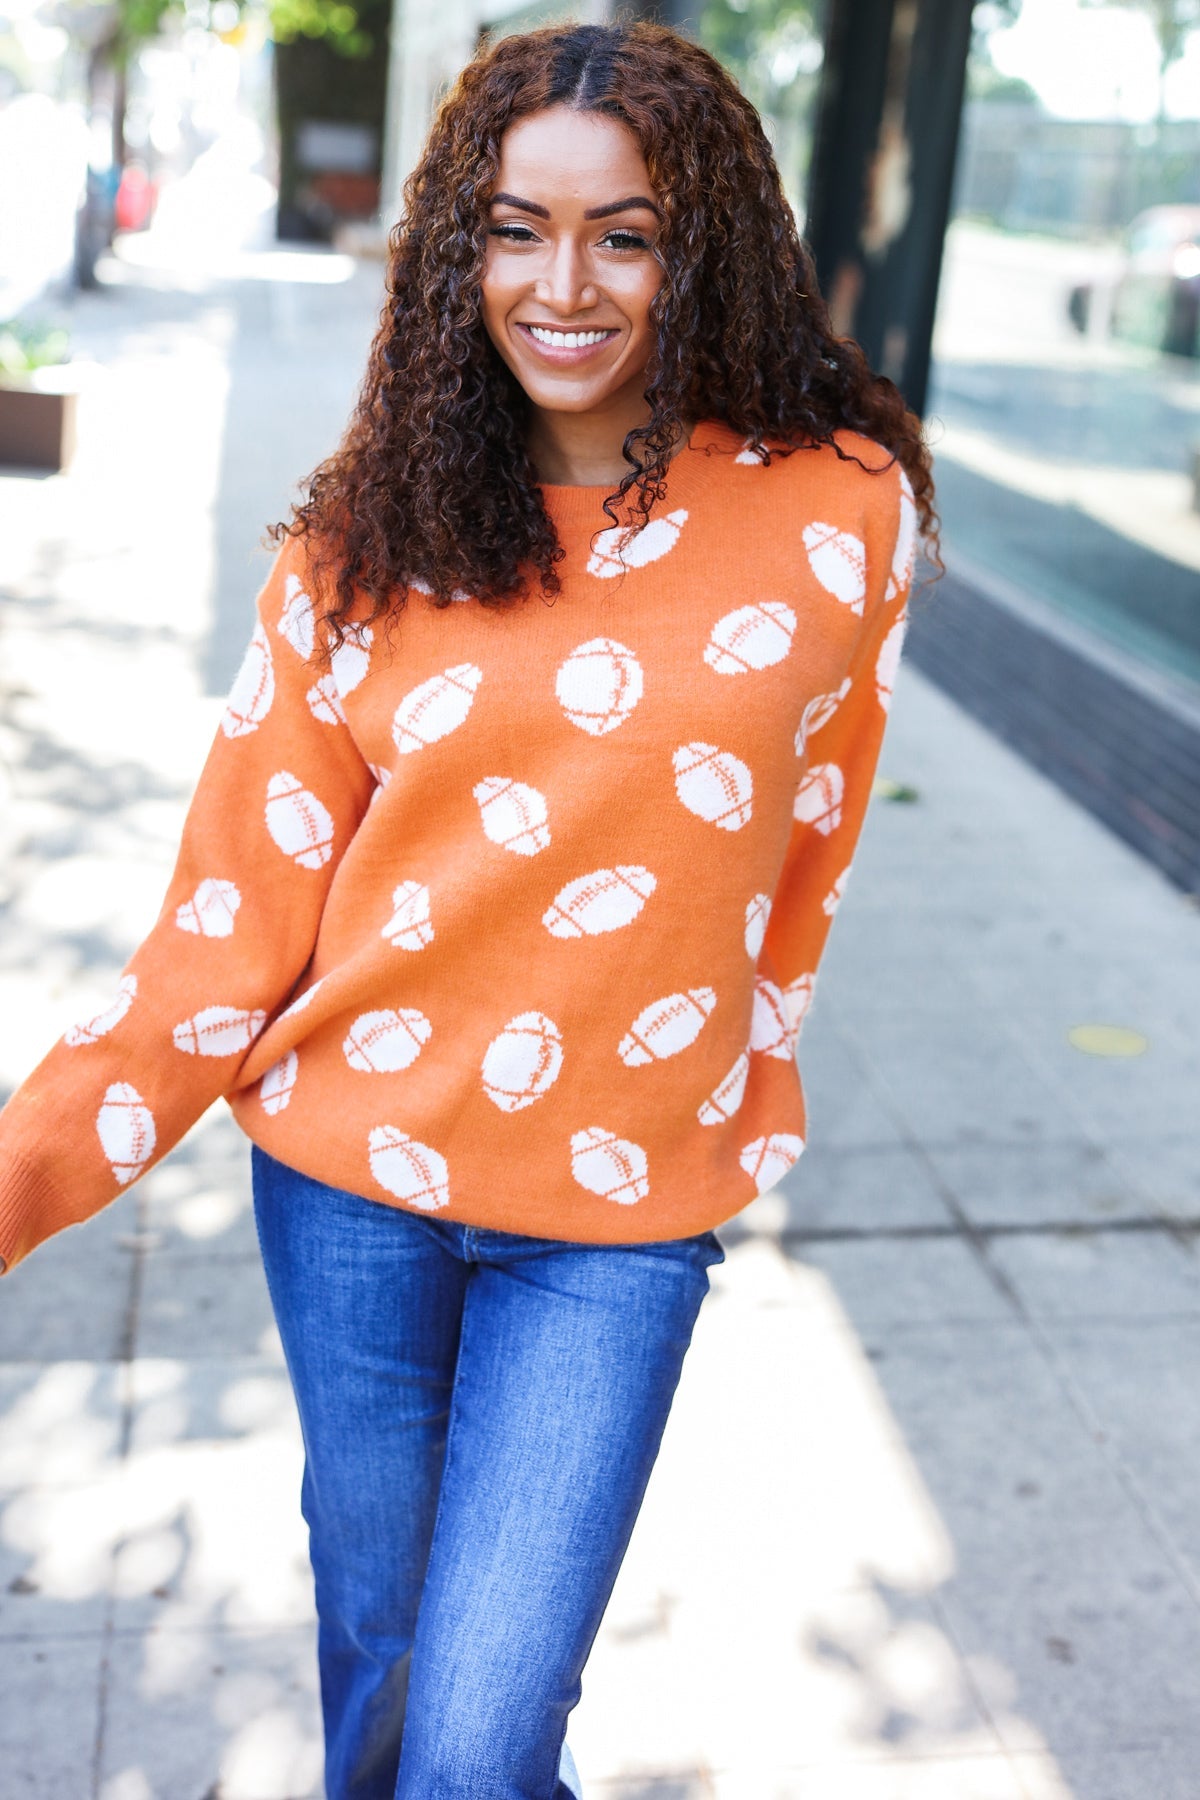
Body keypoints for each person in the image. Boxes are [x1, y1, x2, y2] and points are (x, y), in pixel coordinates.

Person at [0, 19, 936, 1799]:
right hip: (350, 1197)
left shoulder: (840, 515)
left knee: (483, 1743)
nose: (561, 284)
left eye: (624, 232)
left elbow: (806, 853)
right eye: (515, 228)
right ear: (459, 247)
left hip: (615, 1229)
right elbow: (222, 941)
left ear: (701, 241)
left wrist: (730, 1080)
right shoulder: (361, 541)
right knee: (385, 1659)